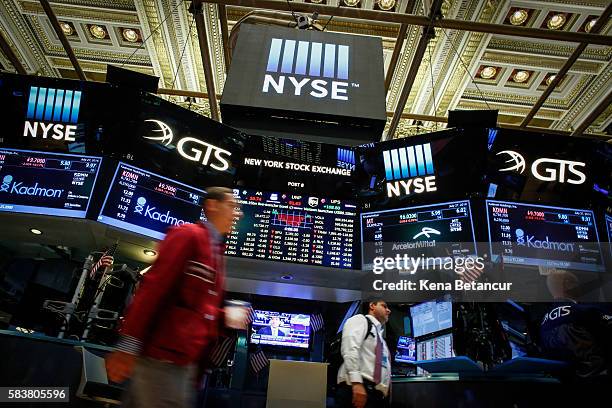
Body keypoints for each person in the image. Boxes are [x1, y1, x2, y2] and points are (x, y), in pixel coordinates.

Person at [105, 187, 245, 408]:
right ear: (212, 205)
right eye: (232, 206)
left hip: (185, 367)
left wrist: (223, 315)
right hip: (161, 361)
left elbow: (198, 307)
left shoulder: (216, 253)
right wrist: (128, 346)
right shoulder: (188, 235)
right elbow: (154, 289)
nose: (238, 214)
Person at [540, 269, 612, 380]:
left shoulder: (543, 323)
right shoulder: (585, 311)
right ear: (567, 285)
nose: (580, 287)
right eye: (576, 283)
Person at [336, 298, 391, 408]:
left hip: (375, 395)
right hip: (358, 388)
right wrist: (357, 383)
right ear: (372, 306)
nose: (388, 310)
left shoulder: (381, 338)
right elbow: (350, 349)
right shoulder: (360, 320)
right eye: (384, 306)